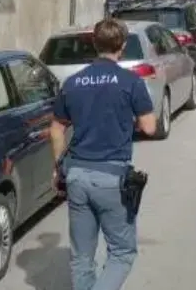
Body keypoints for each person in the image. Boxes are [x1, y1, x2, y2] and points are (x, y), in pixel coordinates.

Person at [49, 19, 157, 290]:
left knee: (81, 257)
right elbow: (149, 126)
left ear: (94, 43)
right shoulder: (130, 81)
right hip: (111, 177)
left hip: (76, 175)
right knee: (122, 252)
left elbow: (57, 128)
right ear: (122, 45)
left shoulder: (72, 83)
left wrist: (59, 166)